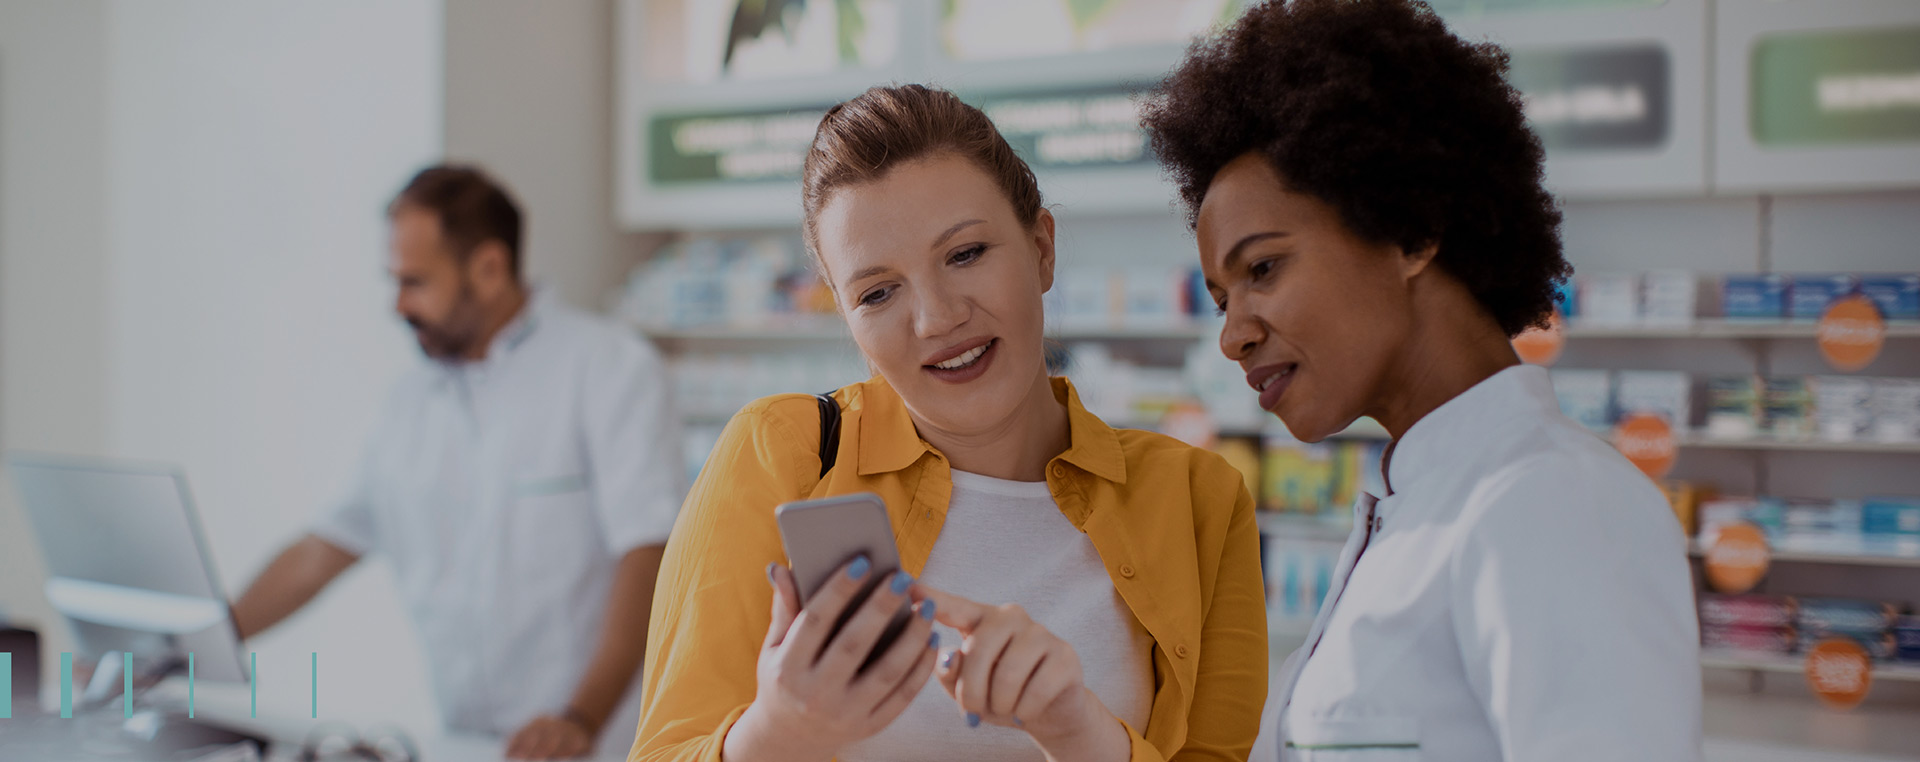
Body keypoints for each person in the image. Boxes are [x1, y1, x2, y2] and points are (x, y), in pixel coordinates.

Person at [630, 85, 1268, 762]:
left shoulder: (1197, 500)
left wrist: (1081, 734)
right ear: (847, 318)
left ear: (1042, 248)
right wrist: (778, 733)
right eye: (878, 293)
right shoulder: (779, 454)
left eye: (965, 254)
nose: (936, 319)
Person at [1140, 1, 1702, 760]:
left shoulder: (1553, 502)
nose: (1232, 334)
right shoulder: (1419, 508)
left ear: (1410, 232)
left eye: (1263, 269)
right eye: (1220, 299)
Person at [230, 165, 685, 760]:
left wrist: (580, 718)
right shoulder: (410, 401)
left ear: (489, 268)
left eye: (415, 282)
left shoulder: (609, 368)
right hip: (467, 744)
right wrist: (195, 644)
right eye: (394, 281)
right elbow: (321, 552)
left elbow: (650, 555)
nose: (398, 305)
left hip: (596, 741)